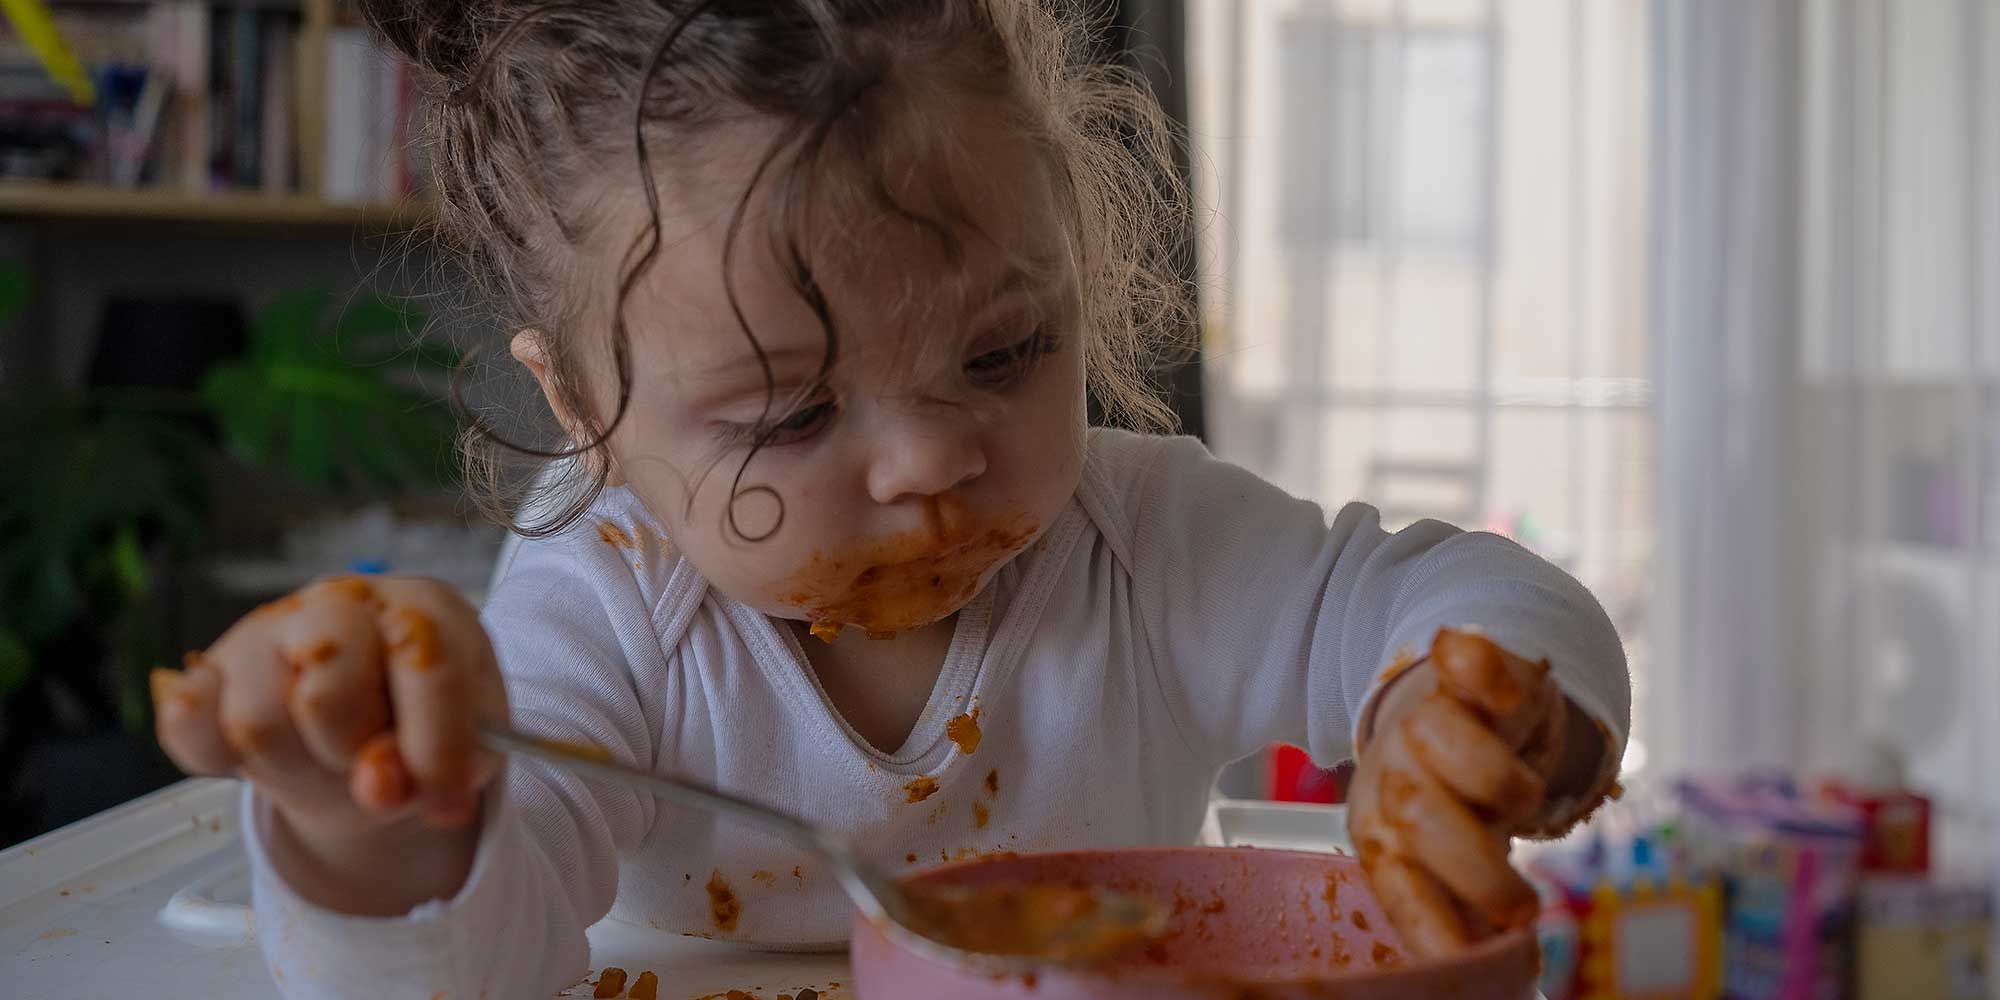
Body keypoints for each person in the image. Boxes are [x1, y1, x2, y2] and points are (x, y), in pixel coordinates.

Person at [149, 2, 1629, 995]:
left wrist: (1469, 699)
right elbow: (477, 957)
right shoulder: (608, 597)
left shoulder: (1147, 544)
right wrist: (379, 822)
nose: (930, 461)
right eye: (788, 413)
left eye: (1004, 352)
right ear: (583, 408)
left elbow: (1451, 592)